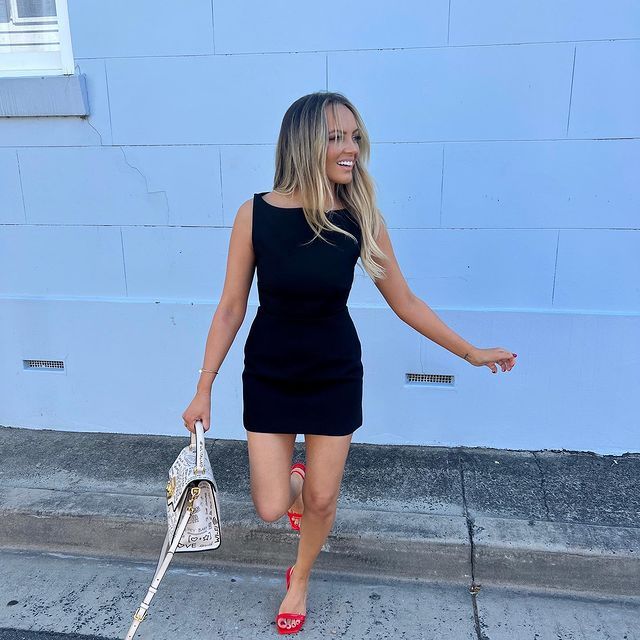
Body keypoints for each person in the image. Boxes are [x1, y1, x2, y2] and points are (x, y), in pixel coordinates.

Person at [182, 91, 517, 635]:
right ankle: (295, 480)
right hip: (269, 373)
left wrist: (470, 352)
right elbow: (230, 307)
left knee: (322, 498)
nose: (351, 149)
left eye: (355, 137)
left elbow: (404, 301)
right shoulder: (254, 215)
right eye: (337, 137)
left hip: (334, 372)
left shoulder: (361, 218)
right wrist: (204, 388)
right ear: (304, 142)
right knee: (270, 506)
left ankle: (300, 578)